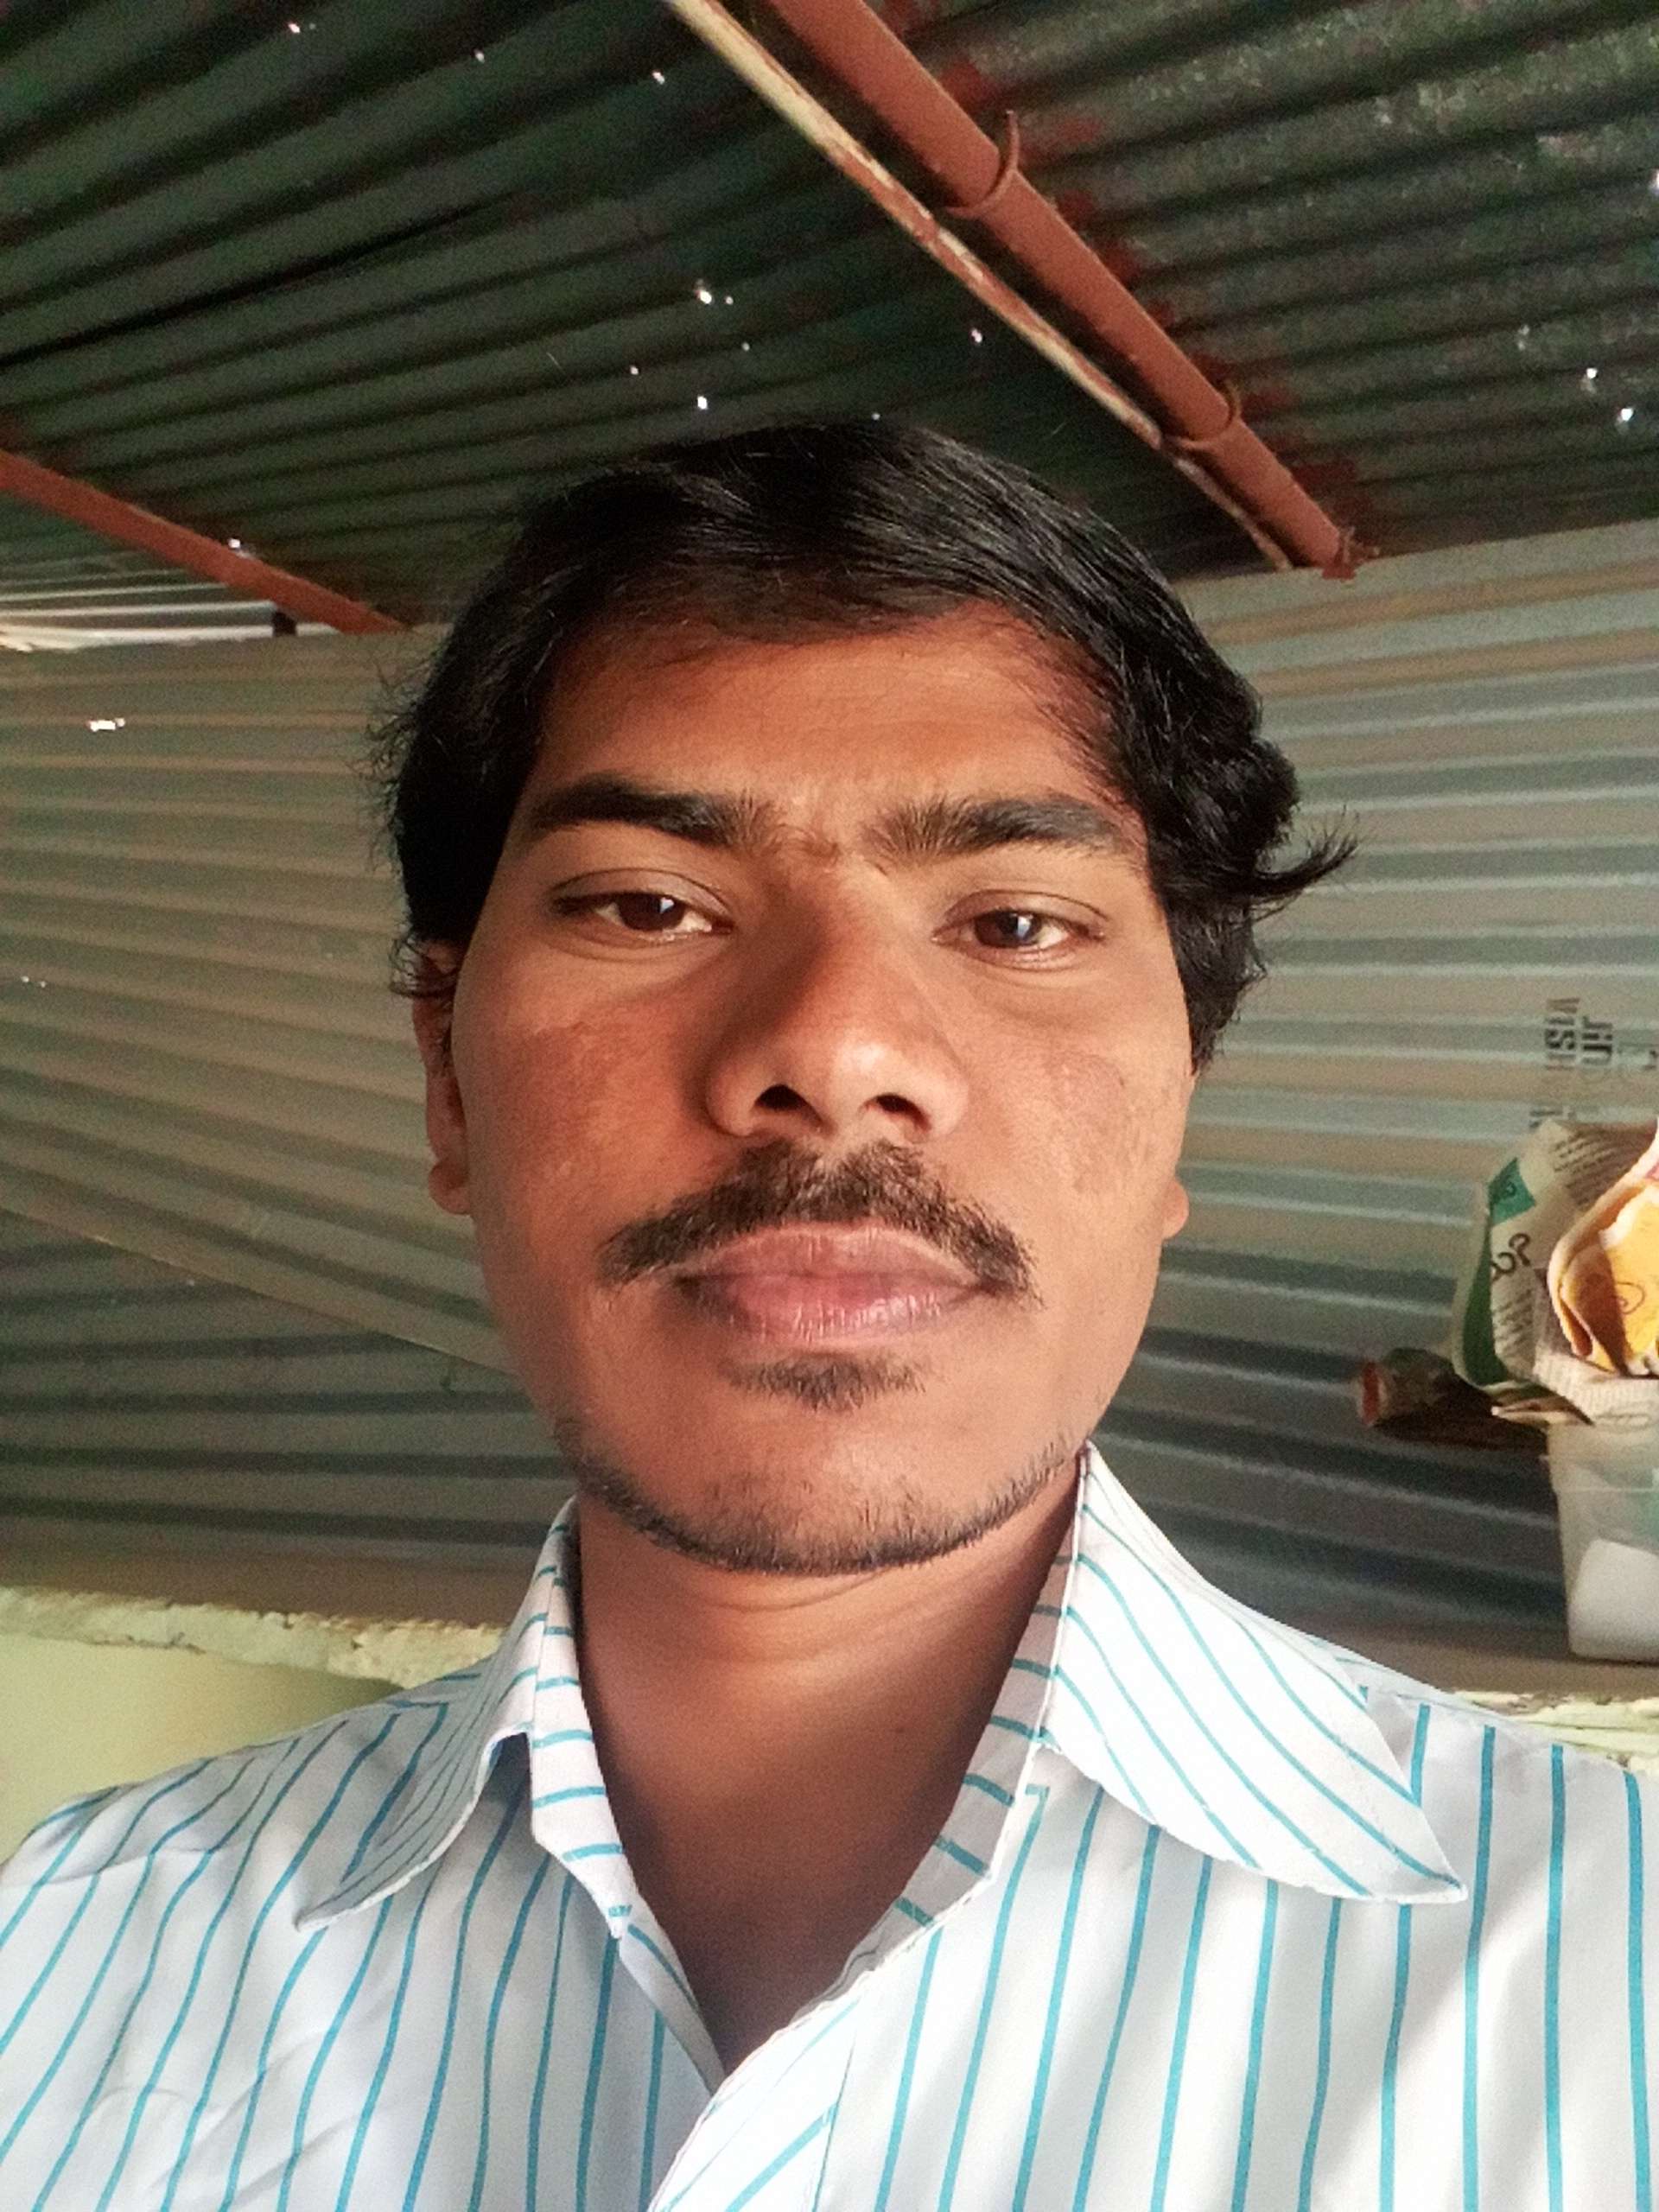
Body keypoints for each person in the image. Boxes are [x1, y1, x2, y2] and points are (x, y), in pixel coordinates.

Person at [0, 422, 1648, 2212]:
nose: (839, 1049)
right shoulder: (66, 1962)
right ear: (448, 1081)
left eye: (1015, 921)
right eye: (651, 903)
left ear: (1182, 1100)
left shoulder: (1606, 1961)